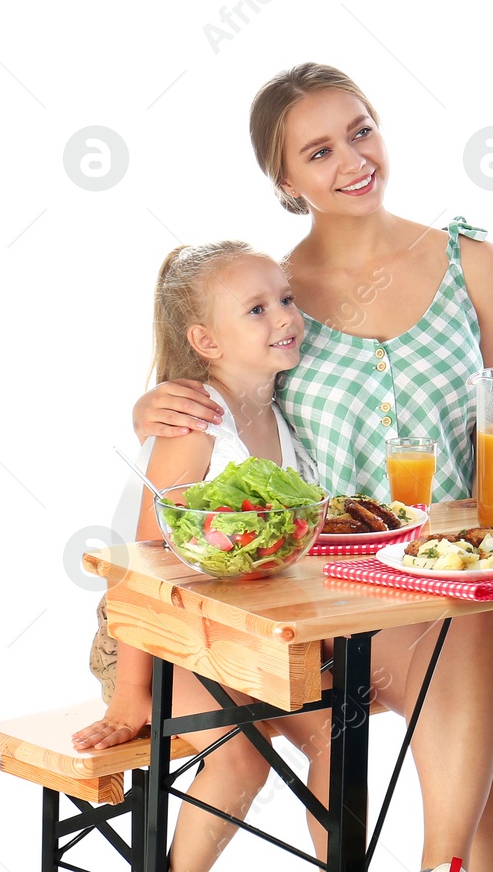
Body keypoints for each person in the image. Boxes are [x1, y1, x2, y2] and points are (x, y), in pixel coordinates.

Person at [132, 64, 493, 872]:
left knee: (482, 607)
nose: (353, 159)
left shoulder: (473, 260)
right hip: (344, 584)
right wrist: (148, 409)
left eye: (361, 130)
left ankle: (441, 863)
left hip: (473, 566)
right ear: (285, 178)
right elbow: (221, 399)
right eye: (318, 151)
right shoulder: (277, 296)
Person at [75, 241, 333, 872]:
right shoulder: (194, 428)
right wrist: (132, 692)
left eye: (287, 299)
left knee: (335, 735)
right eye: (256, 309)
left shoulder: (282, 413)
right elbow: (143, 564)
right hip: (155, 638)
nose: (284, 318)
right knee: (239, 758)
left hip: (239, 636)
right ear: (206, 342)